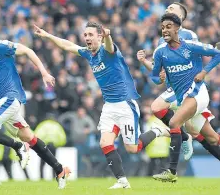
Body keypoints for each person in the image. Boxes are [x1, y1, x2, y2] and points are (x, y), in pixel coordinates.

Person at [34, 22, 170, 189]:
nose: (87, 38)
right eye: (85, 35)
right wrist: (48, 35)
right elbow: (67, 45)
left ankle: (157, 131)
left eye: (90, 35)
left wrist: (107, 35)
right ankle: (122, 180)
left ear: (99, 36)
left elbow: (110, 46)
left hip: (125, 104)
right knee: (105, 142)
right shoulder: (87, 53)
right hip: (109, 106)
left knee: (132, 149)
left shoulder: (108, 51)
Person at [0, 15, 70, 189]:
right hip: (3, 103)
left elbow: (28, 51)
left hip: (11, 98)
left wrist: (44, 72)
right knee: (30, 138)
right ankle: (59, 169)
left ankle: (17, 146)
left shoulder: (0, 46)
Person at [137, 2, 220, 162]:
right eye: (167, 8)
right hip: (173, 89)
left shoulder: (189, 36)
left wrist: (201, 75)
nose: (167, 9)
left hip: (189, 89)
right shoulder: (162, 40)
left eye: (172, 9)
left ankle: (182, 136)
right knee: (198, 132)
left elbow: (196, 59)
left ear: (180, 17)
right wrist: (145, 63)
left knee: (208, 136)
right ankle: (183, 136)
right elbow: (157, 70)